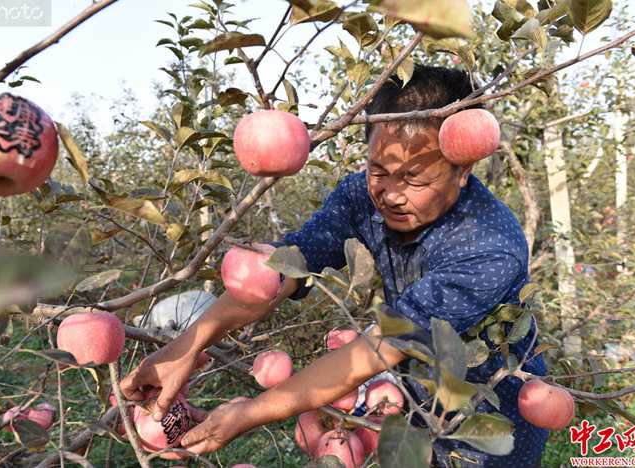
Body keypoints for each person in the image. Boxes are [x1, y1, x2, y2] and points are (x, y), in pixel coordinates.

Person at [120, 65, 549, 467]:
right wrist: (182, 350)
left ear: (463, 169)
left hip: (490, 422)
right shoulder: (361, 197)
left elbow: (382, 347)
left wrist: (251, 413)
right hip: (412, 404)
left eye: (414, 179)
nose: (391, 194)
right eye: (379, 170)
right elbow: (283, 271)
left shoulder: (489, 247)